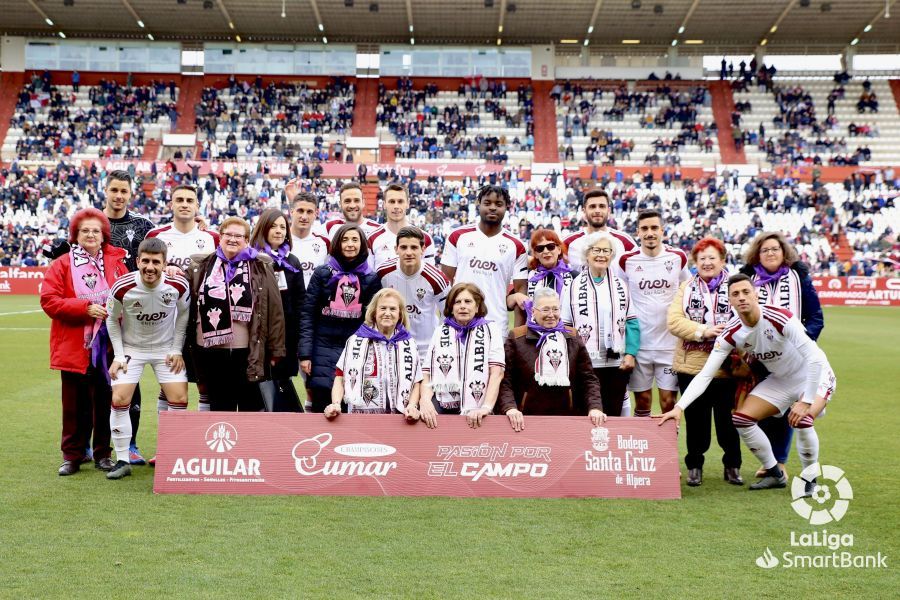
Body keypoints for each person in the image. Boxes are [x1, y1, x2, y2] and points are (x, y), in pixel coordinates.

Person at [660, 274, 836, 495]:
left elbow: (815, 359)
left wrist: (806, 401)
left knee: (803, 419)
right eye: (735, 294)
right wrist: (679, 408)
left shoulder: (780, 317)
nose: (741, 297)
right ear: (730, 300)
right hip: (781, 380)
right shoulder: (731, 333)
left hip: (815, 375)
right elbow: (705, 375)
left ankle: (810, 478)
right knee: (741, 419)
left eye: (746, 292)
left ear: (755, 294)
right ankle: (774, 473)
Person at [40, 208, 129, 476]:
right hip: (74, 346)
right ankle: (73, 456)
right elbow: (49, 300)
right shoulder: (62, 264)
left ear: (103, 236)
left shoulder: (117, 263)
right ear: (76, 236)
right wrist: (85, 307)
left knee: (104, 402)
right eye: (85, 231)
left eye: (95, 231)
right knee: (74, 406)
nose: (90, 235)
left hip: (108, 346)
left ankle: (103, 453)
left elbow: (128, 295)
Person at [740, 231, 824, 479]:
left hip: (796, 357)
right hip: (761, 355)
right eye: (765, 250)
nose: (770, 253)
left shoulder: (798, 277)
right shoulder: (749, 279)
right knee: (765, 408)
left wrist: (803, 343)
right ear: (757, 254)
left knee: (790, 409)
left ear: (784, 252)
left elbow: (816, 316)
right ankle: (771, 462)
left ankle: (782, 461)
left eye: (775, 249)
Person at [105, 238, 190, 480]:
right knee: (120, 398)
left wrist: (176, 349)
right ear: (137, 261)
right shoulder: (122, 286)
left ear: (165, 264)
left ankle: (170, 456)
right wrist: (119, 355)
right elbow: (111, 319)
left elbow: (183, 316)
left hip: (165, 349)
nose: (150, 267)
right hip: (133, 348)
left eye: (156, 262)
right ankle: (122, 459)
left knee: (179, 398)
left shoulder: (178, 284)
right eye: (145, 261)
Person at [186, 217, 285, 412]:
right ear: (220, 237)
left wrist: (276, 349)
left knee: (250, 407)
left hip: (248, 350)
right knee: (220, 408)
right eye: (227, 234)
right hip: (211, 350)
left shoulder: (261, 266)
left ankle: (248, 444)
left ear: (247, 240)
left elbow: (275, 310)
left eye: (238, 236)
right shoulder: (202, 265)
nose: (232, 239)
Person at [667, 237, 742, 487]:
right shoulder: (686, 287)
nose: (707, 263)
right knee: (696, 422)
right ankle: (694, 467)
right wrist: (704, 330)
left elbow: (749, 315)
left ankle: (732, 465)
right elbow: (674, 321)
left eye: (712, 258)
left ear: (722, 260)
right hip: (692, 364)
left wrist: (729, 333)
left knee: (727, 422)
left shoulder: (736, 286)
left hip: (727, 367)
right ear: (695, 263)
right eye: (702, 259)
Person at [146, 184, 218, 412]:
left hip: (204, 319)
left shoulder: (212, 238)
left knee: (206, 384)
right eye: (179, 200)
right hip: (167, 319)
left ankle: (201, 444)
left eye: (189, 200)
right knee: (169, 382)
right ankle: (167, 442)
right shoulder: (156, 236)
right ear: (171, 205)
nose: (185, 204)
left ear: (197, 205)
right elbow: (143, 273)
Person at [102, 169, 156, 465]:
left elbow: (159, 255)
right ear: (106, 191)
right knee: (98, 383)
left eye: (124, 191)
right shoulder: (93, 222)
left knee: (130, 383)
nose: (119, 196)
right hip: (99, 315)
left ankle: (131, 444)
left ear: (130, 194)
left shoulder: (143, 225)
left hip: (136, 317)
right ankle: (96, 446)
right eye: (115, 190)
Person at [299, 224, 382, 412]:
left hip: (354, 349)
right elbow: (308, 315)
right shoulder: (322, 273)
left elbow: (372, 322)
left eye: (355, 240)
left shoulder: (371, 278)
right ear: (337, 243)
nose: (350, 244)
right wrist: (305, 354)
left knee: (351, 404)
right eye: (345, 239)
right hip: (321, 348)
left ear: (362, 245)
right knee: (323, 405)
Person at [498, 287, 606, 431]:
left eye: (555, 309)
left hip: (567, 417)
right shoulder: (517, 337)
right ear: (532, 311)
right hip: (525, 419)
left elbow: (588, 378)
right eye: (545, 309)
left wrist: (595, 407)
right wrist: (510, 408)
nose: (551, 315)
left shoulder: (572, 336)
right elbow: (505, 380)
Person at [619, 210, 691, 417]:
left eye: (654, 228)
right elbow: (620, 298)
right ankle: (645, 448)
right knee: (642, 402)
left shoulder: (677, 257)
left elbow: (687, 290)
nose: (649, 233)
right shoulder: (626, 260)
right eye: (644, 229)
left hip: (669, 344)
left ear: (662, 231)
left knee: (669, 402)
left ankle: (667, 449)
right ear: (637, 232)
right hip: (639, 345)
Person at [562, 232, 639, 417]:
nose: (601, 255)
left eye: (606, 251)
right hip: (585, 363)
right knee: (583, 414)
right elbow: (565, 326)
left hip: (616, 364)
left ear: (612, 255)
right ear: (587, 254)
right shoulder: (573, 285)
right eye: (596, 250)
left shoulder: (621, 285)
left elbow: (632, 322)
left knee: (612, 414)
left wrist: (630, 353)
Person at [413, 283, 505, 429]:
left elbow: (497, 373)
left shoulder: (491, 330)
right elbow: (427, 372)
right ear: (451, 307)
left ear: (477, 307)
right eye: (457, 302)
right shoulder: (440, 331)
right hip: (443, 403)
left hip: (478, 406)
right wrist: (424, 400)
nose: (462, 306)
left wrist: (486, 408)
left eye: (468, 302)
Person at [440, 185, 527, 336]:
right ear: (478, 203)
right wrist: (446, 319)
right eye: (487, 203)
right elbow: (445, 284)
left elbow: (521, 294)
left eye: (498, 204)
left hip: (496, 327)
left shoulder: (516, 246)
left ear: (507, 207)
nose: (493, 208)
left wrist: (517, 337)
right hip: (458, 323)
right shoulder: (458, 236)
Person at [325, 289, 422, 417]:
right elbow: (340, 376)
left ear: (400, 314)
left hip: (401, 416)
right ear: (374, 312)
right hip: (361, 417)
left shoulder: (409, 343)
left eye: (392, 309)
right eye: (383, 308)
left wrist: (412, 405)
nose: (387, 313)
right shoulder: (356, 340)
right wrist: (336, 403)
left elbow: (416, 381)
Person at [250, 208, 305, 412]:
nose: (279, 230)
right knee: (257, 388)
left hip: (286, 336)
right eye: (273, 226)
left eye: (283, 226)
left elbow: (300, 302)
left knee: (281, 387)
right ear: (263, 228)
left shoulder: (292, 261)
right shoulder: (250, 258)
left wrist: (298, 338)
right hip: (258, 335)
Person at [376, 226, 450, 363]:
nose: (408, 252)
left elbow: (448, 314)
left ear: (423, 250)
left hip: (424, 351)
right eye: (403, 247)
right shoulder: (383, 272)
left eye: (414, 248)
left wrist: (439, 343)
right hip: (390, 346)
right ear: (396, 249)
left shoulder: (437, 278)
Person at [563, 188, 636, 273]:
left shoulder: (625, 241)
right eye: (592, 207)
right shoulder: (568, 243)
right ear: (584, 211)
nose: (597, 210)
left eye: (602, 206)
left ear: (608, 211)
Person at [511, 229, 574, 326]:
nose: (546, 251)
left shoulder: (573, 276)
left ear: (559, 249)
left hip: (566, 334)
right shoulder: (529, 276)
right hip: (534, 336)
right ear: (535, 254)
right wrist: (516, 296)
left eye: (550, 247)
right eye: (540, 249)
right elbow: (508, 303)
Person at [367, 183, 437, 268]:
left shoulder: (425, 238)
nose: (396, 206)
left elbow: (429, 277)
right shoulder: (371, 239)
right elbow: (369, 278)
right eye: (392, 202)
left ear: (408, 203)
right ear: (384, 204)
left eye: (400, 201)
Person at [288, 192, 331, 287]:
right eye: (300, 211)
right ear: (291, 212)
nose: (304, 217)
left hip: (313, 300)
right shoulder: (280, 241)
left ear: (316, 214)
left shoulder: (324, 243)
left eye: (309, 212)